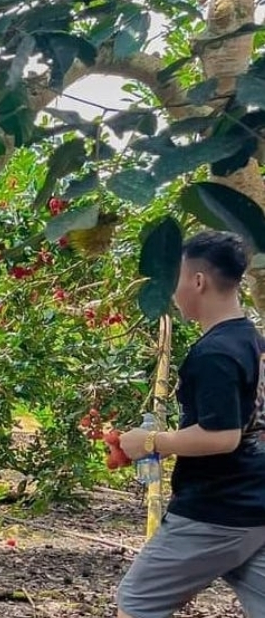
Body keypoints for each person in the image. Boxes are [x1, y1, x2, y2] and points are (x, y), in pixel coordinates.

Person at [117, 231, 265, 618]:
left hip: (217, 509)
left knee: (136, 603)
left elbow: (222, 436)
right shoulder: (253, 341)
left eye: (175, 278)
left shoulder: (214, 353)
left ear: (197, 281)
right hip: (257, 505)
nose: (172, 290)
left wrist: (149, 442)